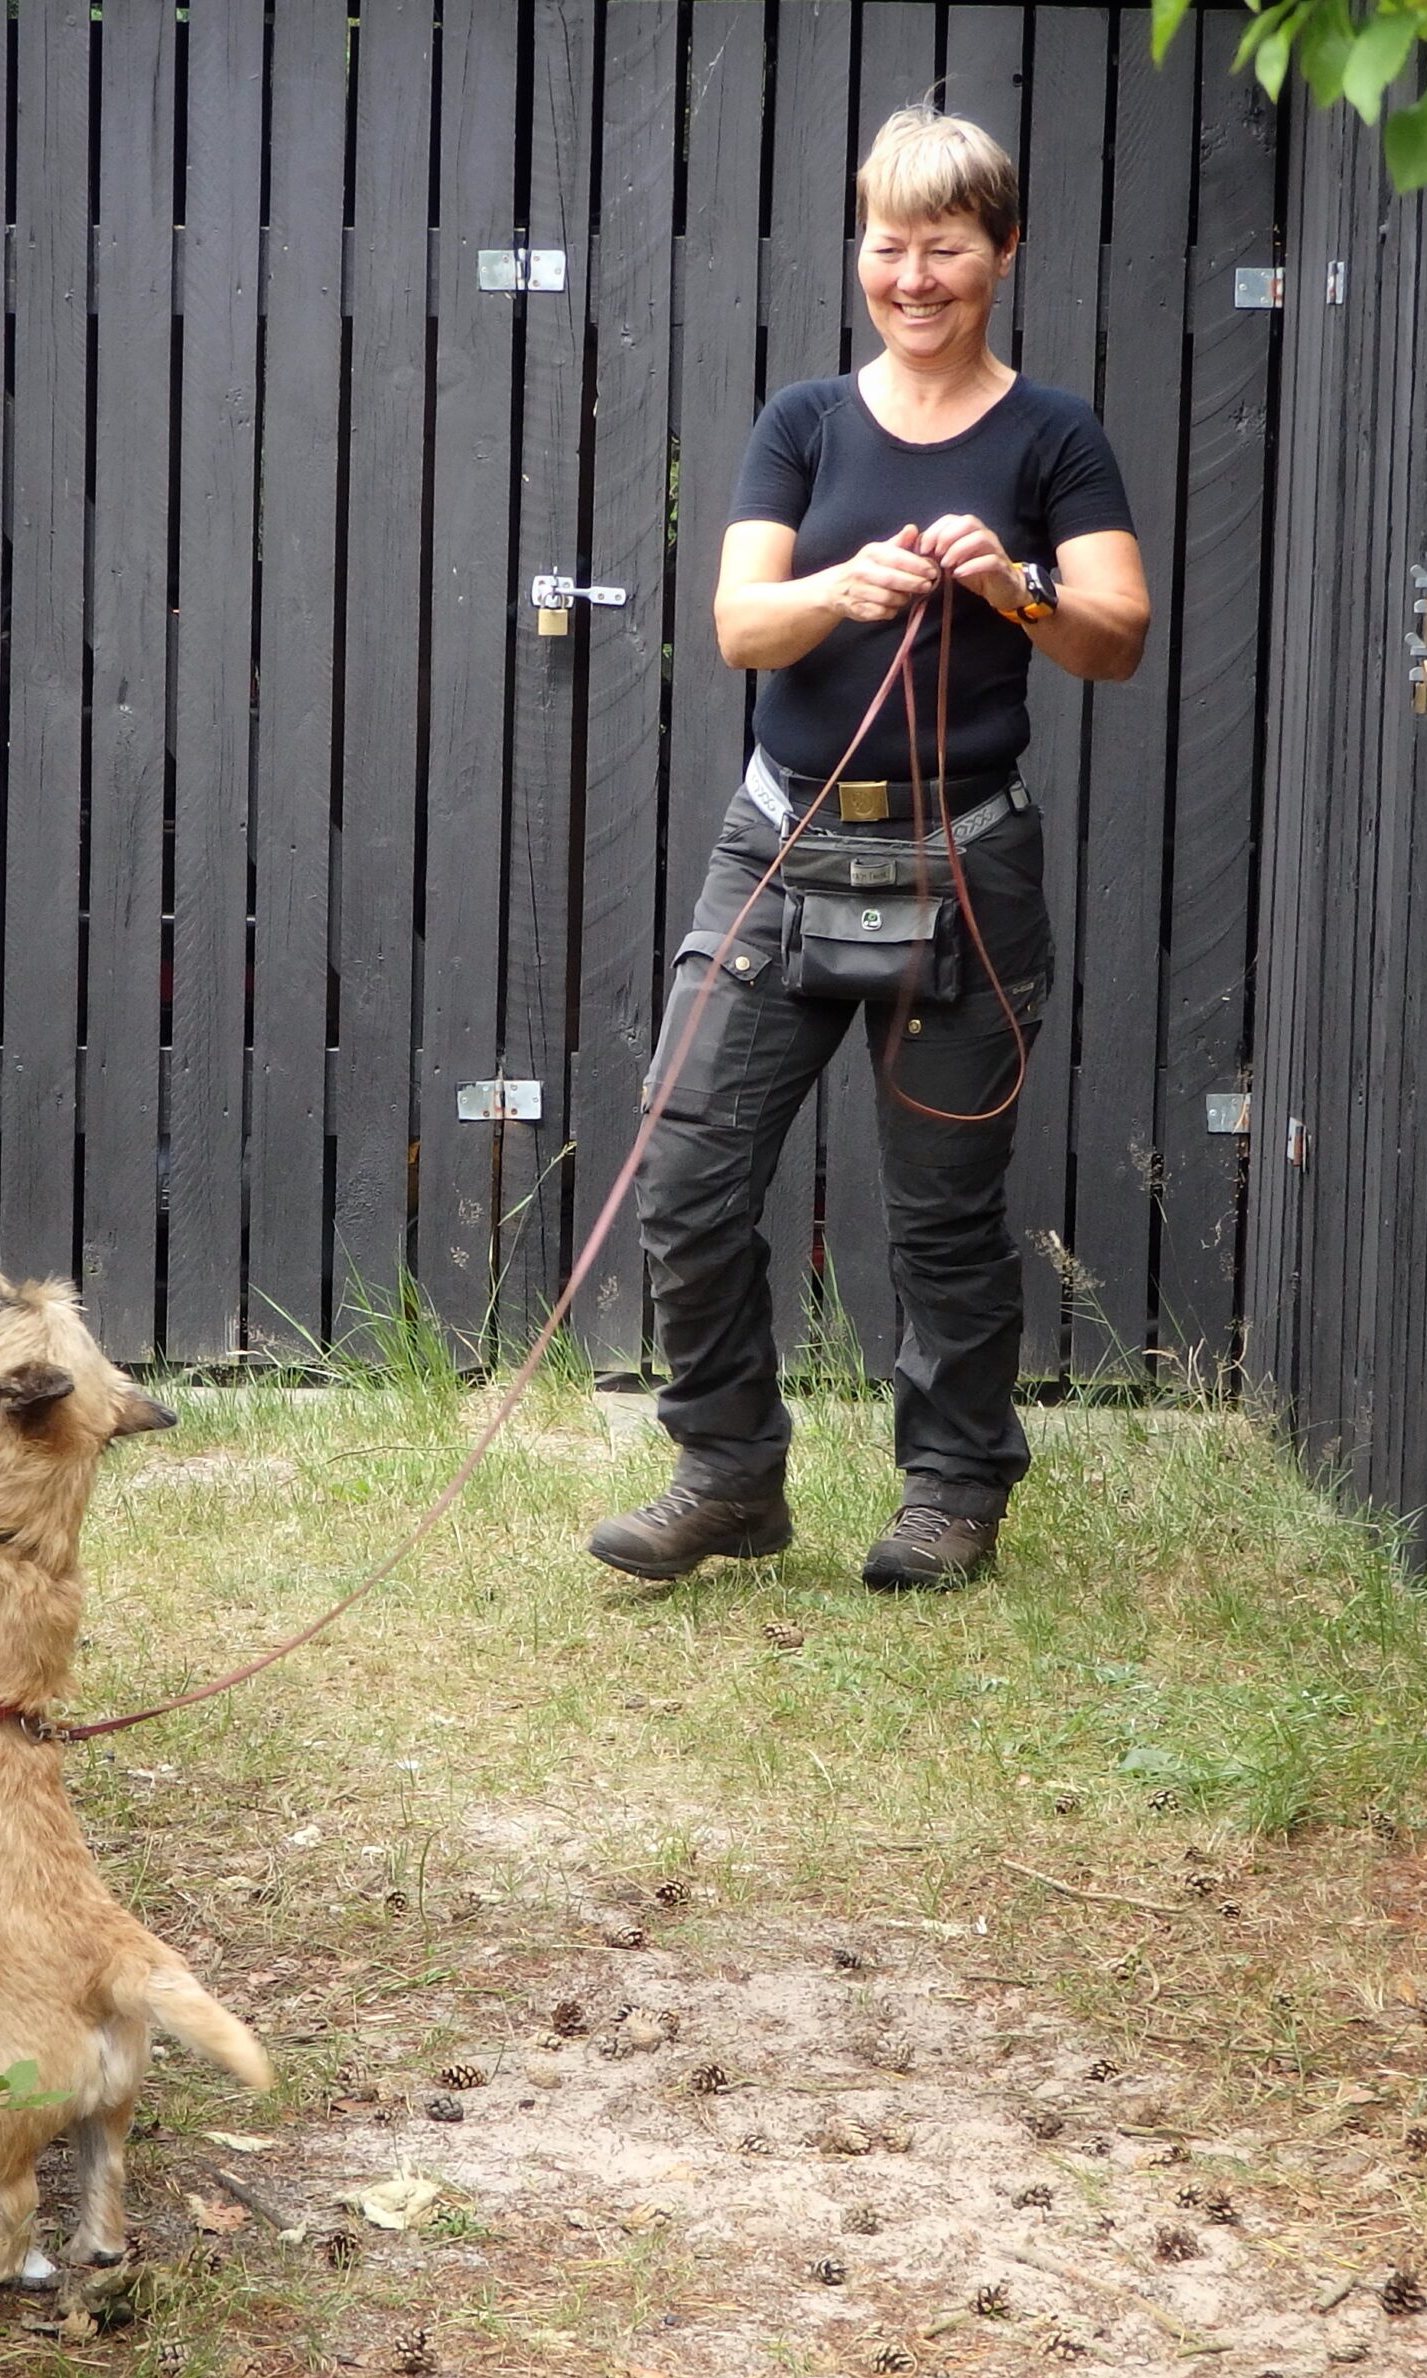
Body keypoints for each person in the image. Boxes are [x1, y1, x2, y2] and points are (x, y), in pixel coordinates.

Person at [588, 104, 1149, 1594]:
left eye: (945, 246)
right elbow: (739, 626)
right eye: (888, 245)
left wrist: (1016, 583)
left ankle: (952, 1492)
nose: (913, 277)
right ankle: (726, 1477)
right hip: (778, 847)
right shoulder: (805, 423)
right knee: (688, 1175)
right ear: (861, 254)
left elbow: (1117, 636)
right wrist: (840, 590)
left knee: (945, 1213)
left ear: (1004, 252)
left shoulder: (1054, 433)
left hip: (965, 863)